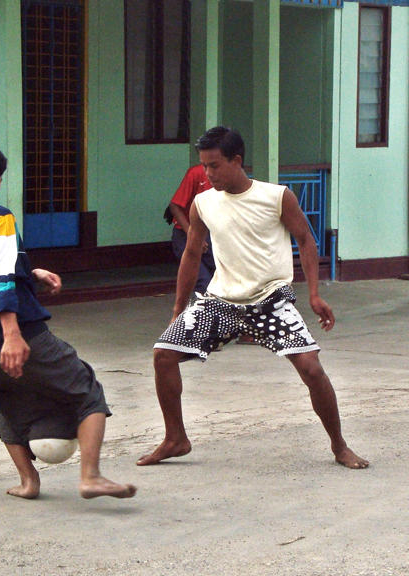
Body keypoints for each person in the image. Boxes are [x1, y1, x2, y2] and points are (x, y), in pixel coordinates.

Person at [139, 126, 369, 468]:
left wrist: (315, 294)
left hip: (270, 300)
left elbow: (305, 239)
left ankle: (339, 446)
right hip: (220, 301)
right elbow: (190, 255)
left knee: (312, 370)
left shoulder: (277, 197)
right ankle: (176, 439)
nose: (208, 173)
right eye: (204, 166)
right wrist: (178, 308)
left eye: (214, 165)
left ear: (237, 161)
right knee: (163, 355)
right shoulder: (203, 203)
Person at [0, 139, 137, 500]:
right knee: (85, 388)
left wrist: (30, 274)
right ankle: (90, 476)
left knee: (7, 409)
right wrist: (12, 334)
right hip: (18, 333)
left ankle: (29, 482)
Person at [166, 164, 216, 295]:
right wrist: (192, 236)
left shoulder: (231, 177)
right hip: (187, 233)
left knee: (220, 281)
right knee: (202, 282)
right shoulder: (196, 173)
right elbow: (174, 206)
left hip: (212, 234)